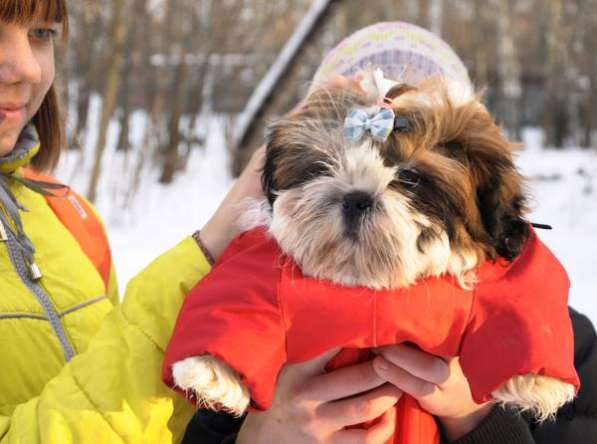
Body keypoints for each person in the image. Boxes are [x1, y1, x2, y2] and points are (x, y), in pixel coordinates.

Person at [182, 22, 597, 444]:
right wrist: (260, 437)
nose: (359, 199)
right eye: (326, 168)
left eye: (412, 181)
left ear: (476, 188)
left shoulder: (557, 340)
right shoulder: (246, 310)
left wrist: (476, 418)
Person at [0, 0, 261, 442]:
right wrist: (212, 245)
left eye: (41, 33)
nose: (28, 68)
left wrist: (253, 428)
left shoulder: (69, 217)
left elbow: (138, 423)